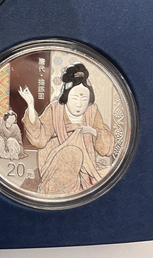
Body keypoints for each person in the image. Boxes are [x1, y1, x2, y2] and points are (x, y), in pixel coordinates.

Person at [18, 63, 114, 195]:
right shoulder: (55, 109)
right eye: (75, 98)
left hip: (85, 166)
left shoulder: (92, 111)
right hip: (56, 164)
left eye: (84, 98)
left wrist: (92, 131)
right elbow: (39, 139)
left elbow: (105, 149)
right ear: (66, 96)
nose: (79, 104)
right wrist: (30, 104)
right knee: (72, 152)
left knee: (110, 175)